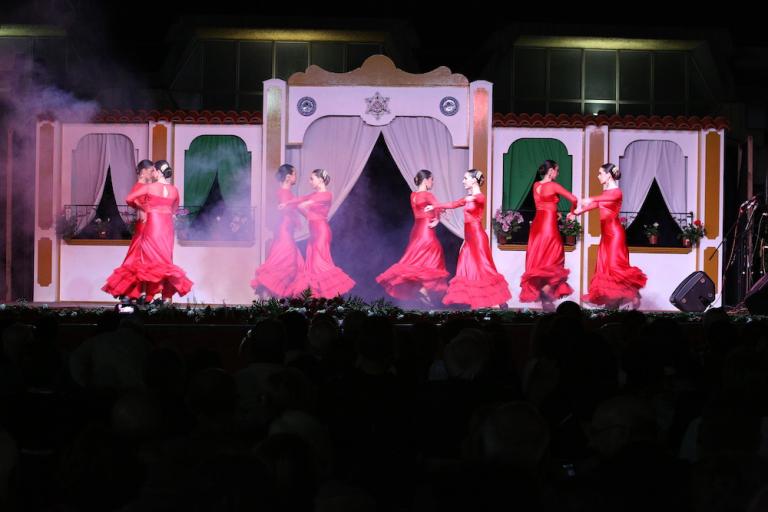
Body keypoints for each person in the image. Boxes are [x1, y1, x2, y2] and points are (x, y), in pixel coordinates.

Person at [426, 169, 511, 309]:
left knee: (483, 269)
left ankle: (497, 302)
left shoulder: (479, 197)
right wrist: (436, 207)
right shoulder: (469, 198)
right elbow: (455, 205)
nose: (463, 181)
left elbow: (461, 203)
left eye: (466, 178)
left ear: (474, 180)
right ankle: (478, 302)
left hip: (478, 239)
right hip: (469, 240)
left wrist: (437, 205)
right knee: (467, 269)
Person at [573, 163, 647, 309]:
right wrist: (577, 212)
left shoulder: (616, 192)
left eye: (601, 173)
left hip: (615, 235)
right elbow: (597, 204)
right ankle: (612, 303)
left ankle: (633, 292)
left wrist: (590, 199)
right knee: (605, 268)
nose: (598, 176)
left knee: (615, 266)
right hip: (606, 236)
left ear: (608, 175)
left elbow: (600, 200)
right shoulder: (606, 193)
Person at [376, 169, 449, 303]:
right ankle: (423, 289)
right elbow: (437, 206)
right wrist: (439, 217)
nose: (432, 182)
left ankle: (422, 290)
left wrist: (437, 215)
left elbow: (427, 210)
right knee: (434, 255)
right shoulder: (427, 195)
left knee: (417, 258)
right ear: (426, 180)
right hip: (426, 229)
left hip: (416, 230)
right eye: (432, 180)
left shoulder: (413, 195)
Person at [124, 160, 193, 303]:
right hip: (167, 226)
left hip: (153, 224)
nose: (153, 173)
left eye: (154, 170)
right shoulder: (174, 190)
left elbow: (129, 198)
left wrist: (143, 207)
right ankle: (164, 296)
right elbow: (174, 209)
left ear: (159, 172)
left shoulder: (150, 187)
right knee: (165, 259)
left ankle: (147, 293)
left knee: (148, 259)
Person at [280, 169, 354, 298]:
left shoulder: (327, 195)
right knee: (312, 268)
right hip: (313, 235)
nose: (310, 181)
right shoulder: (314, 194)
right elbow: (301, 199)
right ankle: (318, 299)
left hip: (321, 233)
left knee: (319, 264)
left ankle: (331, 296)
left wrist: (303, 206)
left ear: (320, 180)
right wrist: (286, 203)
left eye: (312, 179)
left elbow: (307, 203)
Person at [519, 160, 579, 311]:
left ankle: (544, 297)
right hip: (548, 226)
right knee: (554, 257)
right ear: (551, 171)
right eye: (557, 170)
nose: (558, 173)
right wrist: (572, 213)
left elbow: (543, 205)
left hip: (537, 225)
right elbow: (574, 199)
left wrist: (555, 211)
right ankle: (546, 295)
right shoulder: (553, 185)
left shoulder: (536, 185)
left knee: (540, 259)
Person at [251, 164, 308, 297]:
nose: (296, 177)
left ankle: (273, 295)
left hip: (285, 234)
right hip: (285, 234)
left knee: (292, 265)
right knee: (286, 263)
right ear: (288, 177)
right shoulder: (284, 193)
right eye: (294, 174)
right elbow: (288, 209)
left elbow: (299, 207)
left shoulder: (285, 193)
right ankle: (268, 291)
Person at [102, 160, 155, 301]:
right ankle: (130, 291)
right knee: (137, 259)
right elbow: (131, 200)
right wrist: (143, 207)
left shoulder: (143, 186)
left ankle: (140, 292)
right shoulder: (141, 186)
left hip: (146, 225)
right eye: (151, 171)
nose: (152, 174)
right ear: (143, 171)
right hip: (144, 226)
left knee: (142, 260)